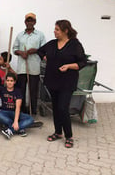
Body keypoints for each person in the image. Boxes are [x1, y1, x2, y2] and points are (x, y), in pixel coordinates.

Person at [38, 20, 87, 148]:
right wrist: (45, 57)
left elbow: (82, 62)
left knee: (63, 108)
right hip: (52, 81)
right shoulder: (52, 44)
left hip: (67, 82)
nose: (54, 31)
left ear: (66, 31)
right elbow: (40, 51)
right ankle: (58, 132)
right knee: (55, 107)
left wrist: (69, 66)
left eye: (57, 30)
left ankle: (69, 136)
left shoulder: (75, 45)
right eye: (55, 29)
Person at [0, 67, 34, 140]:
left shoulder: (18, 91)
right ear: (5, 81)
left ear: (14, 82)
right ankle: (19, 129)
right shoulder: (2, 89)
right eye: (8, 80)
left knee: (30, 119)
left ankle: (10, 130)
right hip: (5, 113)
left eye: (11, 81)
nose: (9, 82)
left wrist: (16, 121)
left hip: (15, 113)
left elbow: (18, 107)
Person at [12, 12, 46, 115]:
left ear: (35, 22)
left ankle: (33, 111)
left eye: (31, 20)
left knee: (33, 91)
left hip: (34, 68)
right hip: (22, 68)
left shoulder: (40, 35)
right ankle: (21, 111)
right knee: (21, 90)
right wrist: (21, 53)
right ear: (25, 22)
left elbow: (44, 49)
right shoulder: (20, 35)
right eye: (28, 20)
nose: (29, 22)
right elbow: (14, 49)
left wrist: (34, 50)